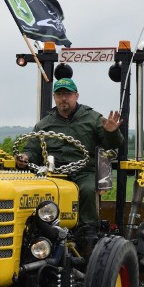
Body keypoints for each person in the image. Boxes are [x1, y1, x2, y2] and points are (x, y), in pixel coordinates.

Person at [15, 77, 123, 256]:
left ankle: (88, 238)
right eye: (59, 94)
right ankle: (36, 235)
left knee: (88, 190)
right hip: (53, 175)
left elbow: (111, 145)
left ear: (76, 95)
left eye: (67, 94)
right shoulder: (44, 124)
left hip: (83, 172)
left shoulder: (93, 118)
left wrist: (111, 133)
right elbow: (32, 150)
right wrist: (24, 157)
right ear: (55, 97)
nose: (63, 98)